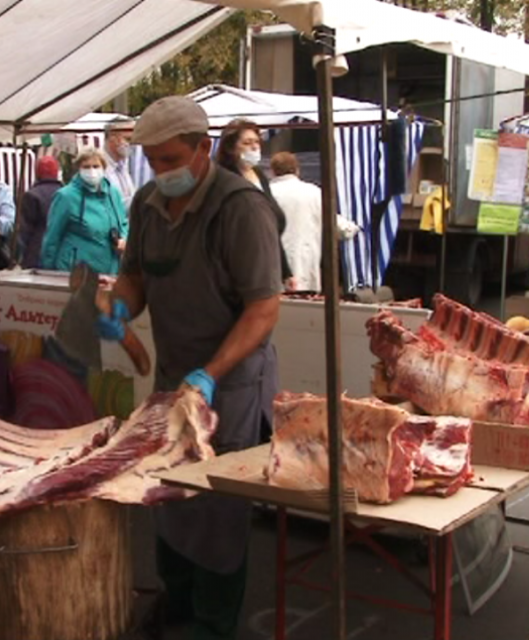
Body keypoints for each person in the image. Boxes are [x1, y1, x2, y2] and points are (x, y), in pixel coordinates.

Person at [98, 96, 281, 639]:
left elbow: (264, 309)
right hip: (173, 375)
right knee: (168, 492)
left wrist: (212, 372)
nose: (160, 172)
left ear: (205, 148)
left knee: (218, 504)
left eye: (170, 160)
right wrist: (121, 308)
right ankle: (177, 601)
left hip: (232, 380)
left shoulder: (241, 207)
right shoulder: (148, 203)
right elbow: (136, 275)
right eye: (151, 161)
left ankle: (214, 620)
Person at [216, 119, 295, 291]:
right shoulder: (222, 179)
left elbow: (272, 227)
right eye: (246, 143)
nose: (254, 147)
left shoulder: (259, 175)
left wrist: (286, 272)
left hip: (268, 261)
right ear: (230, 148)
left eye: (256, 142)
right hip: (239, 268)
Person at [268, 152, 360, 292]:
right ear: (297, 170)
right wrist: (354, 228)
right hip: (305, 269)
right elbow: (339, 227)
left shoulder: (263, 193)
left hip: (271, 270)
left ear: (272, 171)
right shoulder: (313, 192)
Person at [41, 150, 127, 275]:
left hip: (110, 270)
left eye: (96, 166)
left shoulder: (113, 193)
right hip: (75, 272)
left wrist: (124, 239)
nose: (92, 171)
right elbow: (52, 237)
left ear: (103, 168)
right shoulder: (66, 196)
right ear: (78, 169)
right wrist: (47, 272)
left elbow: (123, 223)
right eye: (86, 167)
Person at [18, 155, 63, 269]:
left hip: (36, 255)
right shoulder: (66, 194)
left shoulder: (31, 195)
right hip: (61, 254)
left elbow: (24, 231)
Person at [101, 119, 137, 211]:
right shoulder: (98, 167)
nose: (132, 144)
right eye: (128, 139)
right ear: (112, 137)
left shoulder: (123, 166)